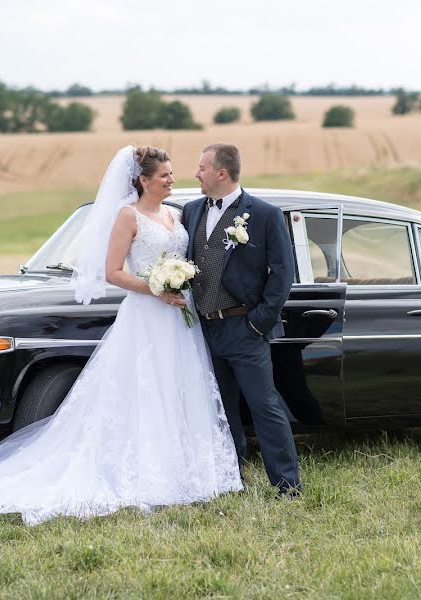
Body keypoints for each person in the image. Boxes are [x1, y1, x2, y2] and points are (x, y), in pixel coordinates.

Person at [0, 146, 242, 525]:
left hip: (179, 317)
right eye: (165, 176)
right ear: (144, 181)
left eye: (172, 174)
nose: (173, 180)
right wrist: (154, 287)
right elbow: (112, 272)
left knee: (180, 386)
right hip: (147, 315)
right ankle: (146, 468)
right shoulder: (128, 217)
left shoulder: (177, 215)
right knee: (144, 387)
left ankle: (186, 466)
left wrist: (181, 284)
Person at [181, 143, 301, 496]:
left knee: (264, 407)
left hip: (244, 327)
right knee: (220, 408)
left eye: (201, 167)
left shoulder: (263, 214)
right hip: (206, 327)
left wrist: (258, 322)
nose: (196, 173)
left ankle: (287, 484)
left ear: (221, 172)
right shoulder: (190, 211)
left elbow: (283, 274)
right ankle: (232, 480)